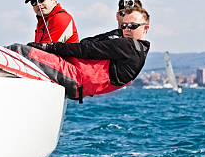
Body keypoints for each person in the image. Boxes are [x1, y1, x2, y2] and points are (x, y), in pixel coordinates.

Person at [9, 7, 150, 102]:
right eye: (124, 26)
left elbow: (86, 49)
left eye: (132, 26)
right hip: (75, 80)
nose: (126, 29)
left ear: (145, 28)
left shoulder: (129, 46)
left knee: (19, 50)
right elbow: (87, 43)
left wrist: (49, 46)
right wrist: (118, 32)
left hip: (74, 76)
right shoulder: (138, 51)